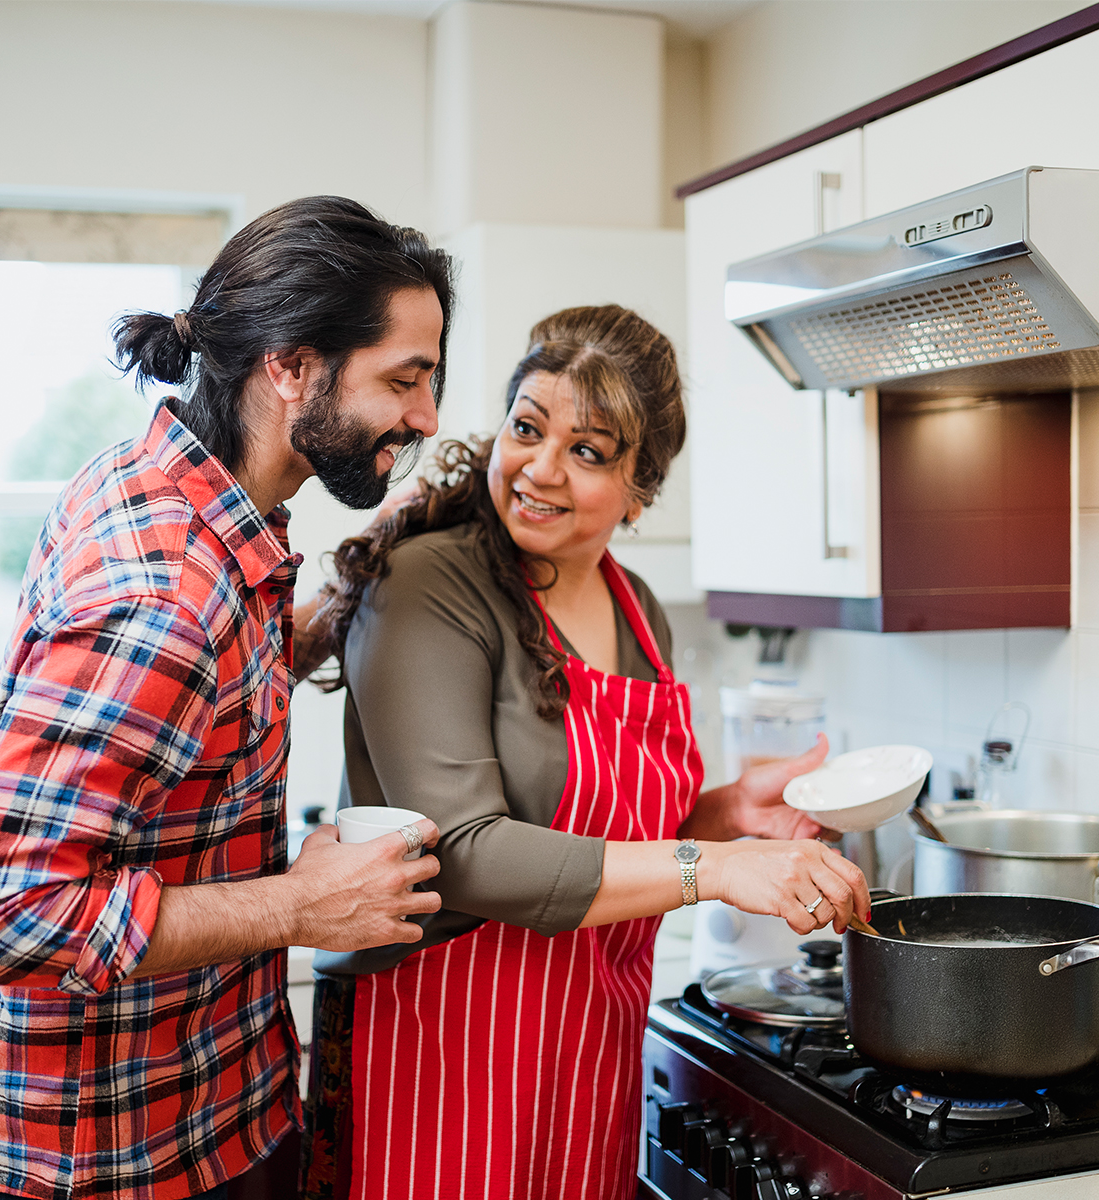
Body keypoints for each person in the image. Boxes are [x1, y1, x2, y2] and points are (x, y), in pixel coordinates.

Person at [0, 196, 454, 1200]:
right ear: (291, 367)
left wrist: (331, 615)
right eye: (405, 379)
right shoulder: (163, 592)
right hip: (109, 1162)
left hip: (214, 1109)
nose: (426, 418)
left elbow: (179, 719)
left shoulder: (175, 494)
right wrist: (301, 903)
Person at [304, 304, 871, 1200]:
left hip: (591, 1051)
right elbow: (465, 852)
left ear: (640, 489)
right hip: (444, 1046)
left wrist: (728, 814)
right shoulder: (431, 584)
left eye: (590, 451)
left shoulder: (636, 606)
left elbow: (614, 828)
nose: (540, 468)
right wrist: (715, 864)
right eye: (527, 429)